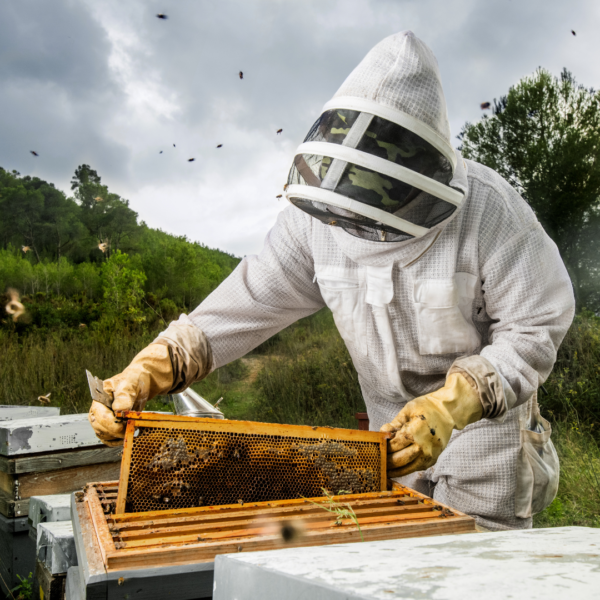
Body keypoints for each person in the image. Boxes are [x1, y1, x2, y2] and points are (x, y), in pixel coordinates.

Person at [89, 31, 575, 530]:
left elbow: (536, 325)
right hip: (386, 436)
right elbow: (244, 305)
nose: (360, 230)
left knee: (477, 571)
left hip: (485, 438)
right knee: (402, 564)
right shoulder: (315, 221)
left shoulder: (492, 213)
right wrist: (147, 372)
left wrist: (453, 405)